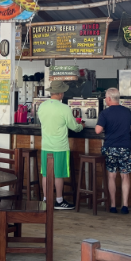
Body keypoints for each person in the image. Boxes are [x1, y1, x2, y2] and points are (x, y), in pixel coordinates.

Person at [38, 80, 83, 209]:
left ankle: (46, 199)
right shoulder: (64, 108)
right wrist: (81, 126)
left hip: (46, 145)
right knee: (58, 174)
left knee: (46, 174)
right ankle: (58, 200)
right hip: (60, 146)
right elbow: (74, 127)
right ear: (61, 93)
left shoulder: (42, 106)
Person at [95, 88, 131, 214]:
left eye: (106, 97)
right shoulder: (127, 112)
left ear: (109, 98)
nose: (105, 99)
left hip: (111, 147)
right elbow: (130, 127)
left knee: (111, 176)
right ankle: (125, 206)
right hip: (125, 147)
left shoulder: (105, 113)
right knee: (125, 176)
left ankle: (112, 206)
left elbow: (97, 131)